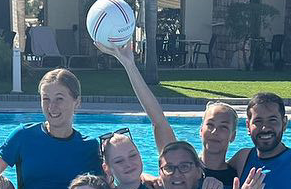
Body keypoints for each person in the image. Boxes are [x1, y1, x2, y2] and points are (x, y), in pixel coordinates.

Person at [98, 39, 240, 180]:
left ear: (233, 136)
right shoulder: (181, 164)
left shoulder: (238, 175)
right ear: (201, 130)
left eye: (223, 127)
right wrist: (129, 64)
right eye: (210, 125)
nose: (215, 132)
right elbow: (157, 119)